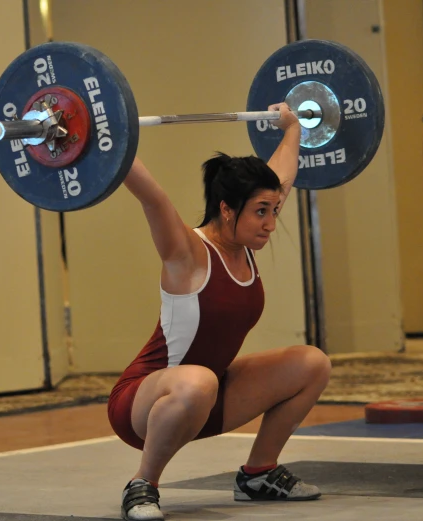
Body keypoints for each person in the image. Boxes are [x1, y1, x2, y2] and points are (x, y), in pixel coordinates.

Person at [107, 102, 332, 521]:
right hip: (145, 404)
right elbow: (151, 196)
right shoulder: (188, 253)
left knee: (311, 363)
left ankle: (259, 474)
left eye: (273, 211)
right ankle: (142, 486)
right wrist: (107, 136)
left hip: (208, 396)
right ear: (227, 208)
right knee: (198, 380)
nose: (269, 223)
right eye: (260, 212)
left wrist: (293, 127)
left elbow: (282, 175)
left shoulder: (245, 241)